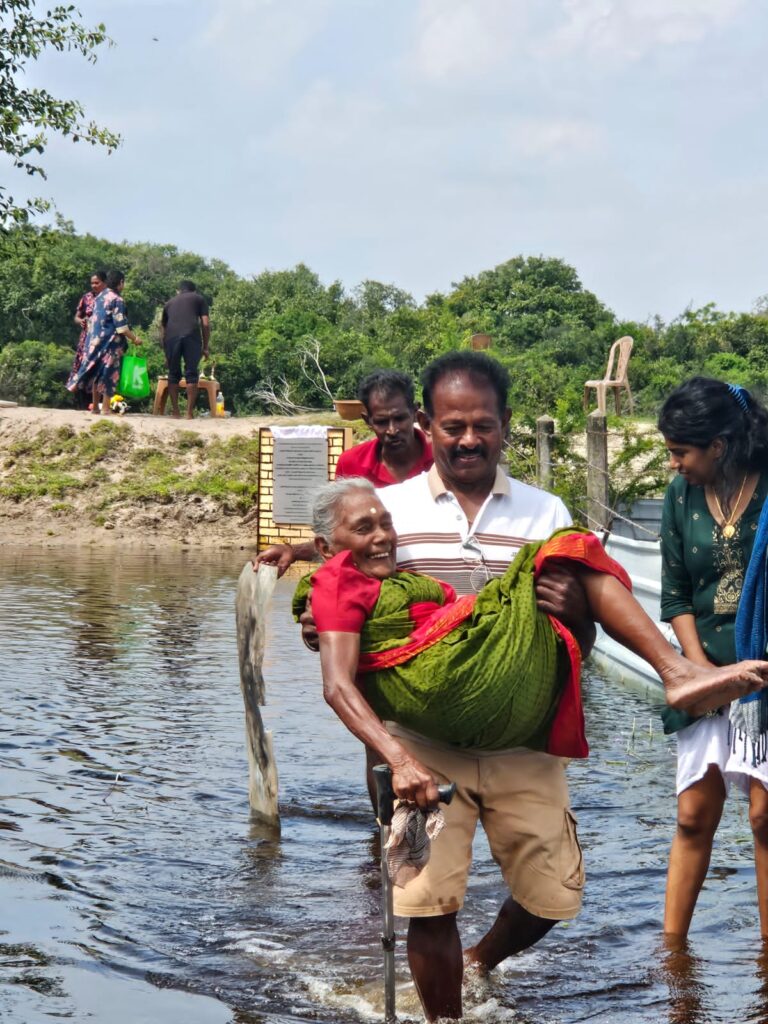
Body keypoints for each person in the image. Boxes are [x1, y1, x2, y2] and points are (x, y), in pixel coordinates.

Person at [258, 351, 763, 1020]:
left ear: (506, 427)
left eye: (483, 425)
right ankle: (444, 1017)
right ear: (427, 428)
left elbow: (575, 647)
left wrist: (576, 613)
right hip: (426, 741)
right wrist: (319, 627)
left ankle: (480, 961)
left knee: (554, 894)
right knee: (429, 902)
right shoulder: (388, 514)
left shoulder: (544, 509)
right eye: (453, 426)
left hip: (523, 739)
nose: (468, 439)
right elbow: (344, 603)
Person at [302, 477, 768, 776]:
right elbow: (337, 686)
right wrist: (400, 761)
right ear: (327, 547)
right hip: (444, 691)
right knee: (566, 547)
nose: (383, 537)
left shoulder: (386, 579)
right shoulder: (337, 582)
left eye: (385, 523)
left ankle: (678, 673)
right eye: (364, 529)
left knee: (565, 559)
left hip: (468, 666)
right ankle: (676, 672)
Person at [658, 377, 768, 940]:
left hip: (765, 676)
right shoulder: (680, 496)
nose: (674, 464)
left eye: (681, 452)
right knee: (693, 815)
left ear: (719, 446)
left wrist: (745, 674)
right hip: (703, 671)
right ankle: (671, 957)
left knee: (764, 819)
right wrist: (700, 672)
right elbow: (675, 593)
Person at [335, 369, 433, 485]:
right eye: (382, 422)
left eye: (400, 418)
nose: (392, 430)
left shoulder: (441, 458)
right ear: (368, 421)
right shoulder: (350, 464)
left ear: (415, 412)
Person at [66, 270, 142, 415]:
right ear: (120, 283)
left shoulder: (99, 297)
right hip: (111, 344)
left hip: (94, 343)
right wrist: (135, 339)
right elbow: (121, 327)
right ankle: (105, 408)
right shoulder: (117, 300)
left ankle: (95, 407)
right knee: (109, 374)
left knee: (96, 375)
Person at [160, 280, 210, 419]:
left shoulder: (169, 303)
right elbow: (205, 324)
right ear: (193, 290)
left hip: (171, 337)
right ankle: (189, 413)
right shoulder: (198, 299)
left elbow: (163, 328)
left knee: (173, 373)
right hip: (191, 336)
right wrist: (205, 346)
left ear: (178, 290)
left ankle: (175, 412)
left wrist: (166, 353)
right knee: (191, 373)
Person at [67, 270, 106, 408]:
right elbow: (77, 317)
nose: (94, 285)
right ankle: (82, 404)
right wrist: (81, 321)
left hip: (101, 341)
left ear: (105, 283)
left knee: (98, 371)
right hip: (86, 340)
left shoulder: (108, 298)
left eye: (97, 282)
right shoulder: (87, 297)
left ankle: (97, 404)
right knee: (83, 369)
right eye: (92, 283)